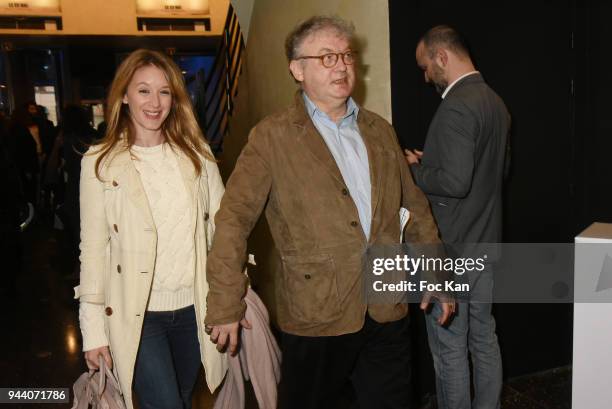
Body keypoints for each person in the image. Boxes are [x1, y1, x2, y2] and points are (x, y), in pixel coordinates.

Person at [205, 15, 453, 409]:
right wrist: (224, 303)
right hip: (317, 313)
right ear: (297, 69)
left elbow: (415, 208)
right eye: (326, 57)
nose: (341, 65)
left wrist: (436, 272)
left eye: (346, 55)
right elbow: (234, 220)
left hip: (386, 308)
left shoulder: (380, 131)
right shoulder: (272, 137)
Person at [75, 49, 227, 409]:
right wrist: (92, 332)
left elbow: (224, 234)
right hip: (137, 315)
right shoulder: (99, 163)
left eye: (164, 92)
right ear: (124, 95)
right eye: (143, 90)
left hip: (195, 310)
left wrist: (229, 300)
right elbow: (93, 251)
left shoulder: (198, 156)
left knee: (184, 399)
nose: (155, 102)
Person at [406, 25, 509, 409]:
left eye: (426, 66)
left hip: (452, 250)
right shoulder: (495, 103)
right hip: (485, 244)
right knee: (484, 339)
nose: (425, 75)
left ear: (441, 57)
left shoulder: (456, 105)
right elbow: (496, 174)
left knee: (449, 350)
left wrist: (413, 170)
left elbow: (455, 181)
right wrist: (430, 163)